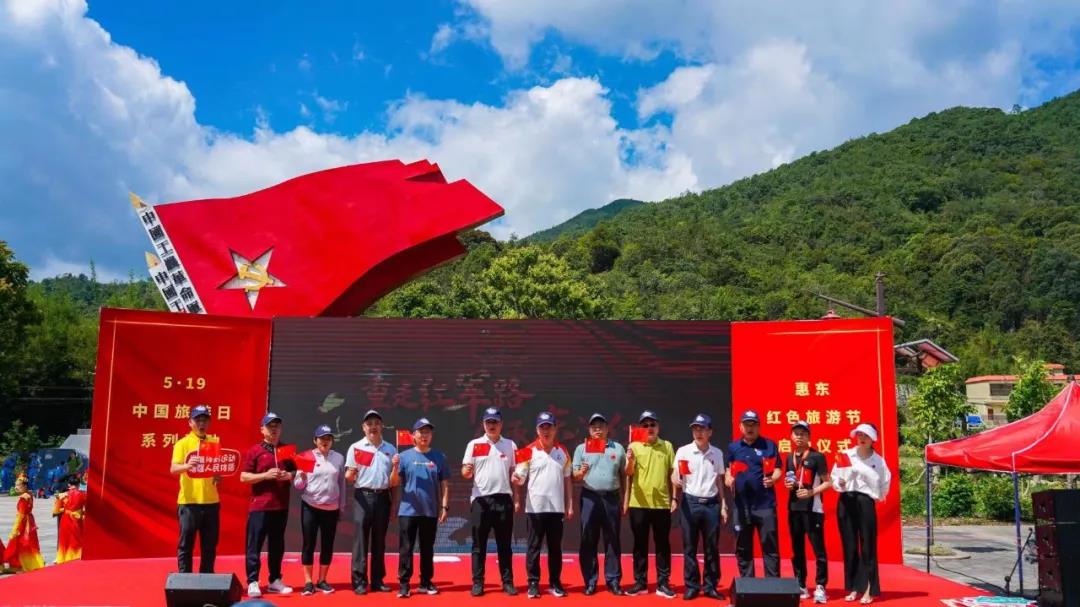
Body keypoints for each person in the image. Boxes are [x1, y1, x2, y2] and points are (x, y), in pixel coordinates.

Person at [513, 411, 573, 599]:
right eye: (542, 427)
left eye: (549, 427)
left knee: (555, 548)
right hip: (535, 509)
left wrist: (570, 504)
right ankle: (533, 583)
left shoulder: (563, 451)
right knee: (534, 547)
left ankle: (555, 582)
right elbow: (520, 477)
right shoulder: (527, 450)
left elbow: (568, 479)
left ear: (555, 429)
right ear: (537, 430)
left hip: (556, 509)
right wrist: (516, 478)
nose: (546, 431)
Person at [462, 407, 519, 597]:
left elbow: (515, 473)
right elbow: (465, 470)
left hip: (503, 499)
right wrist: (467, 472)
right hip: (481, 500)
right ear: (483, 424)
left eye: (495, 422)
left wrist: (517, 498)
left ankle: (507, 582)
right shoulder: (474, 444)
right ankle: (478, 582)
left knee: (505, 545)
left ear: (501, 424)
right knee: (479, 545)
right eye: (488, 422)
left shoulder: (510, 445)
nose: (492, 425)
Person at [390, 417, 450, 598]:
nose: (424, 435)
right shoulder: (404, 457)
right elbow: (394, 482)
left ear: (431, 435)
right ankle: (404, 584)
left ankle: (426, 582)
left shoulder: (439, 457)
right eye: (421, 432)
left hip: (429, 510)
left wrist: (444, 507)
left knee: (427, 548)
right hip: (408, 510)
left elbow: (445, 484)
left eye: (427, 432)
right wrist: (395, 467)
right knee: (406, 548)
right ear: (413, 435)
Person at [832, 423, 891, 605]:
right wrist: (840, 483)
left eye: (866, 435)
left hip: (865, 502)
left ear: (873, 439)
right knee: (849, 546)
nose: (862, 438)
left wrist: (872, 486)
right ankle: (853, 587)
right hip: (846, 500)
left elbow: (884, 485)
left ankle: (869, 588)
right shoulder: (846, 454)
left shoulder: (878, 461)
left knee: (868, 546)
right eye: (859, 435)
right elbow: (835, 477)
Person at [672, 414, 728, 600]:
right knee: (690, 547)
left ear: (710, 432)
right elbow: (675, 475)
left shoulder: (717, 453)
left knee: (712, 547)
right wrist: (675, 481)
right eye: (695, 429)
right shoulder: (683, 451)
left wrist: (723, 505)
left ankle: (711, 586)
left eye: (702, 429)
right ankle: (692, 585)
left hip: (711, 504)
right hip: (690, 502)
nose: (698, 432)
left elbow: (719, 480)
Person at [240, 412, 295, 598]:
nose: (274, 429)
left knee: (277, 545)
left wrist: (288, 476)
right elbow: (244, 477)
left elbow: (297, 473)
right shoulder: (255, 450)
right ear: (262, 429)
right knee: (254, 545)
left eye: (277, 426)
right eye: (270, 426)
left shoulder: (287, 450)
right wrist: (265, 475)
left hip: (280, 506)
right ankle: (252, 581)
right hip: (260, 506)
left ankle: (275, 580)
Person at [623, 410, 676, 598]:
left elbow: (672, 474)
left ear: (658, 427)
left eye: (652, 424)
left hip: (661, 503)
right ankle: (640, 582)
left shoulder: (667, 446)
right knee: (640, 544)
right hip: (639, 503)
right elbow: (628, 473)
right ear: (640, 428)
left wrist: (674, 498)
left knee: (662, 544)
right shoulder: (634, 446)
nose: (649, 428)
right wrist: (630, 460)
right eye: (645, 425)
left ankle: (663, 583)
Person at [344, 409, 398, 595]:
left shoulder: (390, 449)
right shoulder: (356, 448)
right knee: (360, 540)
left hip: (383, 497)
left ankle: (377, 580)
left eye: (376, 423)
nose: (373, 427)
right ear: (363, 427)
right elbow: (349, 476)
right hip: (363, 496)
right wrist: (350, 474)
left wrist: (394, 503)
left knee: (379, 541)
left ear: (382, 426)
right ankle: (359, 581)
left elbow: (394, 482)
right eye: (369, 424)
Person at [572, 412, 626, 596]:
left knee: (612, 539)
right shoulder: (581, 449)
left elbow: (624, 475)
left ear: (607, 428)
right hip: (590, 497)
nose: (598, 429)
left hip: (611, 498)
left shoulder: (618, 448)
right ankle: (590, 581)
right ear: (589, 430)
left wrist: (625, 499)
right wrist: (581, 473)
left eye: (601, 426)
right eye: (594, 427)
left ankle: (613, 580)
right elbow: (574, 476)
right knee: (588, 539)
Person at [725, 410, 782, 578]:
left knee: (770, 545)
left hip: (765, 505)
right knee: (743, 546)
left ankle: (773, 585)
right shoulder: (734, 447)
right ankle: (747, 584)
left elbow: (778, 469)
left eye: (753, 425)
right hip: (741, 506)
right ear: (741, 427)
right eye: (747, 425)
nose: (750, 428)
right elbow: (729, 469)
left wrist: (773, 479)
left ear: (759, 427)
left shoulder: (769, 445)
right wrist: (728, 479)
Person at [293, 424, 347, 596]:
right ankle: (308, 581)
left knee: (327, 544)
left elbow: (342, 484)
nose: (325, 441)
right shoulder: (306, 456)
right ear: (315, 440)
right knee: (309, 543)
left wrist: (341, 506)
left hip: (331, 508)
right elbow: (297, 485)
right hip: (310, 505)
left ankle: (322, 580)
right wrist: (301, 476)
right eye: (322, 438)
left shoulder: (338, 458)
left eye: (328, 438)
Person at [169, 404, 221, 574]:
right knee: (186, 543)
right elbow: (173, 469)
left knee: (209, 545)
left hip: (211, 501)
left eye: (204, 420)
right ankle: (184, 578)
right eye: (198, 420)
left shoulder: (214, 442)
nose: (201, 423)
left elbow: (217, 468)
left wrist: (218, 475)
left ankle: (207, 578)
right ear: (190, 422)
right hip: (189, 502)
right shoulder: (182, 444)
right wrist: (187, 465)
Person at [784, 421, 831, 603]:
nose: (799, 437)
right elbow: (791, 479)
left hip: (813, 509)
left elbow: (828, 482)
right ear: (791, 436)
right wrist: (789, 484)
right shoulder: (790, 458)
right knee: (797, 549)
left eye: (803, 434)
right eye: (796, 433)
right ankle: (800, 584)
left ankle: (820, 586)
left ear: (809, 436)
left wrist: (811, 492)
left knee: (818, 549)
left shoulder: (817, 457)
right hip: (794, 508)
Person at [4, 475, 44, 572]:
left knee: (21, 543)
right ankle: (31, 563)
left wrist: (15, 529)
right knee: (29, 542)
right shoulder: (29, 494)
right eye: (16, 485)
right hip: (29, 520)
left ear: (25, 486)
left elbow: (21, 515)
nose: (16, 487)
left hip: (23, 522)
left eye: (18, 485)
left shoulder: (23, 498)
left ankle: (22, 565)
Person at [53, 475, 86, 563]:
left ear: (68, 484)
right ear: (79, 484)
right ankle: (76, 557)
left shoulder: (62, 495)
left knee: (65, 539)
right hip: (77, 519)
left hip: (66, 519)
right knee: (76, 538)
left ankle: (64, 558)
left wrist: (65, 509)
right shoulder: (83, 494)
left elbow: (56, 511)